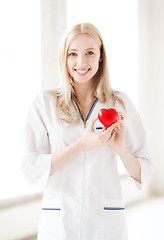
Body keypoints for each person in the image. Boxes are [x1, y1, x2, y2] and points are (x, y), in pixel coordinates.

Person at [21, 23, 154, 240]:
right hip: (60, 221)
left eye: (89, 53)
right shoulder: (44, 104)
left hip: (104, 224)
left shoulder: (120, 104)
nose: (81, 62)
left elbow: (143, 172)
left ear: (101, 56)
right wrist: (83, 143)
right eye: (73, 53)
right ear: (64, 58)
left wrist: (119, 147)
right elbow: (31, 167)